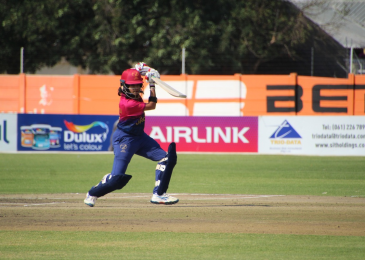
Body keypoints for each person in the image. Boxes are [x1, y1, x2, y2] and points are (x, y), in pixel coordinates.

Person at [84, 62, 179, 207]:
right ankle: (92, 193)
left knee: (167, 159)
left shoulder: (133, 91)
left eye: (137, 85)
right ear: (124, 86)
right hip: (125, 139)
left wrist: (144, 68)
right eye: (132, 85)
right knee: (116, 179)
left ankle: (159, 194)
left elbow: (136, 71)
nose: (135, 88)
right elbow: (152, 105)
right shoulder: (128, 104)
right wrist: (152, 84)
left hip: (140, 137)